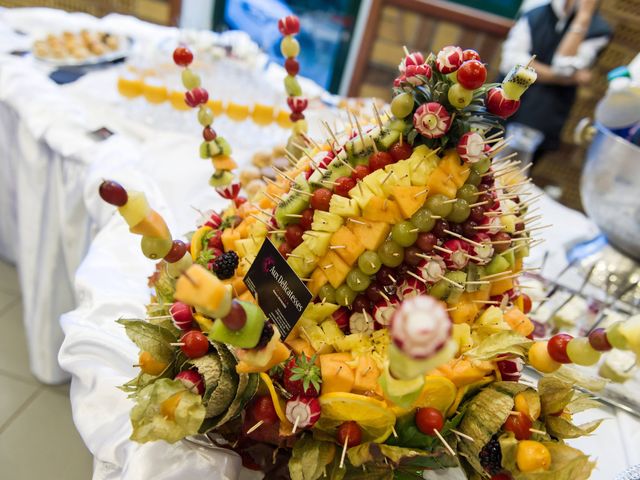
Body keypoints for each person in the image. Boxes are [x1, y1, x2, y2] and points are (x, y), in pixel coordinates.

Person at [499, 0, 612, 156]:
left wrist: (583, 18)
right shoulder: (535, 9)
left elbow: (563, 66)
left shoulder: (599, 30)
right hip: (501, 104)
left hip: (542, 116)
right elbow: (510, 62)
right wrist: (567, 79)